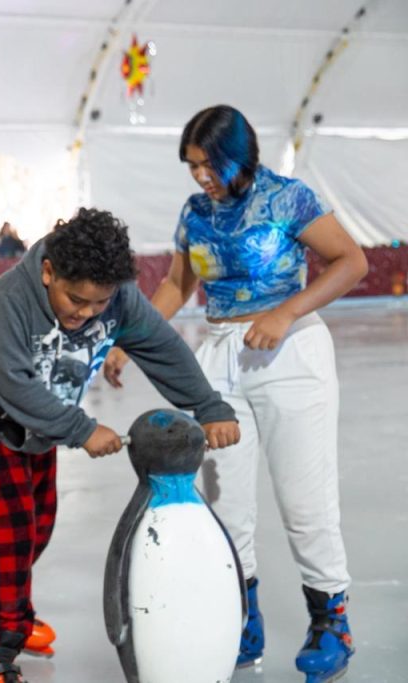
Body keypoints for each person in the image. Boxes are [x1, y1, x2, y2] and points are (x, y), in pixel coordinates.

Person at [102, 105, 366, 682]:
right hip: (220, 357)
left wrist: (285, 312)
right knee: (226, 504)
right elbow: (177, 285)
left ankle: (331, 623)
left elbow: (352, 261)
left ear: (238, 156)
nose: (200, 176)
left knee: (305, 501)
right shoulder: (195, 212)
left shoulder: (288, 198)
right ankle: (243, 620)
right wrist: (129, 340)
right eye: (192, 166)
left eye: (208, 165)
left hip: (291, 352)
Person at [0, 209, 240, 683]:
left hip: (41, 426)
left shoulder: (119, 299)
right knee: (3, 534)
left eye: (98, 303)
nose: (85, 313)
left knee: (35, 528)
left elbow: (162, 348)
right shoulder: (12, 297)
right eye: (75, 299)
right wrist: (81, 429)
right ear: (48, 272)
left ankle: (11, 612)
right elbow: (12, 383)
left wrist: (209, 406)